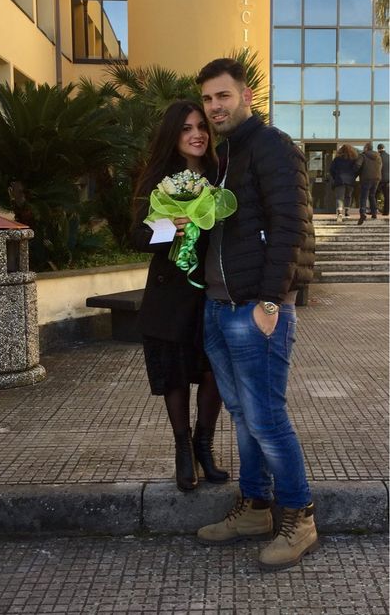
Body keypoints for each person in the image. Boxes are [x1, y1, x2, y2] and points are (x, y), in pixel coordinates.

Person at [194, 58, 317, 571]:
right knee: (244, 417)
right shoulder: (223, 157)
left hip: (256, 309)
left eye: (222, 96)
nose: (214, 107)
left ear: (245, 96)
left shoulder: (272, 146)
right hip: (220, 306)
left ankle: (300, 517)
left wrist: (271, 301)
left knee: (266, 418)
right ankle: (256, 507)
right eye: (207, 99)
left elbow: (291, 225)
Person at [130, 100, 229, 493]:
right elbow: (136, 236)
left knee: (214, 371)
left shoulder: (221, 175)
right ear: (173, 134)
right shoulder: (157, 179)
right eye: (187, 128)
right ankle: (183, 450)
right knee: (174, 372)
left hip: (213, 290)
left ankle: (204, 445)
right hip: (169, 293)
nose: (197, 134)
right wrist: (171, 227)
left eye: (201, 126)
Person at [328, 144, 360, 222]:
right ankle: (347, 212)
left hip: (339, 180)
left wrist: (336, 176)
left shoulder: (337, 159)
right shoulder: (354, 159)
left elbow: (331, 169)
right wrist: (353, 176)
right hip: (350, 180)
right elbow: (356, 169)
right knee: (348, 196)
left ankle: (339, 212)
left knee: (339, 197)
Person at [356, 142, 382, 225]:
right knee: (372, 195)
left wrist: (356, 174)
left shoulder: (363, 155)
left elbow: (357, 165)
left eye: (364, 147)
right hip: (376, 178)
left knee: (363, 196)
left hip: (366, 178)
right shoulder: (378, 156)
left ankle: (363, 213)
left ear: (366, 148)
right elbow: (380, 166)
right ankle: (374, 213)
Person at [377, 144, 389, 216]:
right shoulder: (389, 156)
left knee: (373, 195)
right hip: (387, 179)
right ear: (384, 148)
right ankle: (386, 212)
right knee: (387, 196)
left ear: (378, 149)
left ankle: (374, 210)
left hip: (379, 179)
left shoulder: (378, 157)